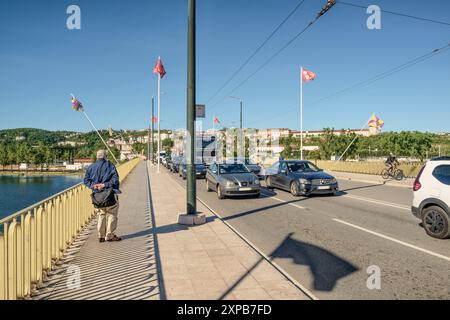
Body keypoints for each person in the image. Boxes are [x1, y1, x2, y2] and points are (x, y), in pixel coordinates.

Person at [84, 150, 122, 243]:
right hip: (109, 194)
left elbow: (86, 181)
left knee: (101, 214)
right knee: (112, 214)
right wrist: (104, 185)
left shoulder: (91, 167)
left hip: (97, 196)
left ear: (97, 157)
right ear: (105, 156)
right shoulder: (110, 166)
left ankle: (101, 236)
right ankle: (109, 235)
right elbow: (115, 180)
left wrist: (94, 185)